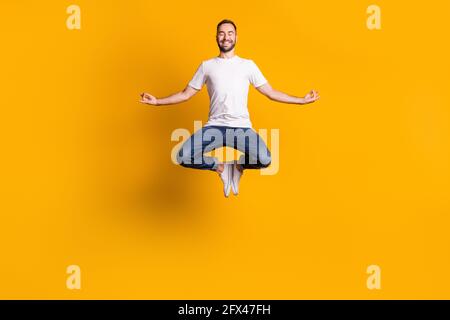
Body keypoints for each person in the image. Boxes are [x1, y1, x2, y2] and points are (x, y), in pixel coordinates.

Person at [140, 19, 320, 197]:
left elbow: (270, 92)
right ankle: (221, 167)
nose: (226, 37)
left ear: (236, 37)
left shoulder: (248, 66)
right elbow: (185, 93)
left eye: (230, 33)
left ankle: (237, 166)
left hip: (242, 128)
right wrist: (157, 101)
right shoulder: (207, 66)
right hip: (214, 127)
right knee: (183, 156)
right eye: (222, 33)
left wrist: (301, 100)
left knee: (265, 159)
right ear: (216, 37)